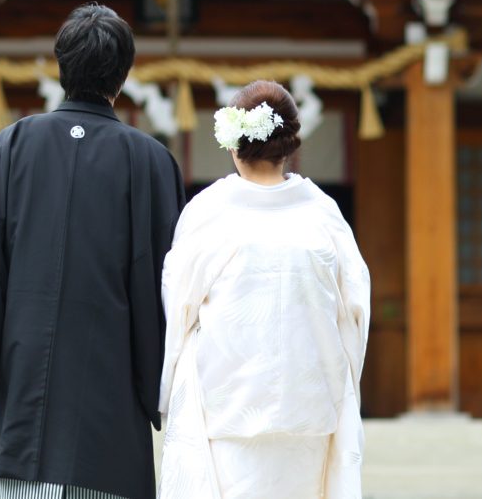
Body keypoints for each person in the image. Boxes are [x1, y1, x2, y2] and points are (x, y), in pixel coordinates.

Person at [0, 3, 186, 499]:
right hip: (111, 414)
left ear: (61, 68)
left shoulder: (11, 146)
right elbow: (167, 284)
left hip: (23, 415)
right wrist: (162, 387)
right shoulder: (151, 162)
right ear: (121, 78)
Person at [158, 80, 370, 499]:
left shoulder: (209, 211)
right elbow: (355, 311)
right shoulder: (324, 214)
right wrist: (342, 383)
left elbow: (178, 304)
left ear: (234, 144)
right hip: (309, 410)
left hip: (227, 407)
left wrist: (167, 390)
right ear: (289, 144)